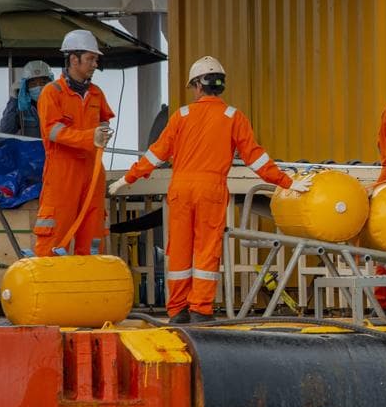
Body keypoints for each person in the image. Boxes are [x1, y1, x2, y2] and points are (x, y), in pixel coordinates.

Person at [108, 56, 312, 324]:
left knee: (179, 250)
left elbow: (156, 155)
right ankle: (199, 311)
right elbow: (256, 159)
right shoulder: (233, 117)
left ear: (198, 86)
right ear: (220, 85)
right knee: (206, 252)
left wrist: (127, 179)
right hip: (211, 191)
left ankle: (177, 311)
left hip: (181, 190)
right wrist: (287, 182)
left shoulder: (181, 116)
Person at [34, 30, 114, 257]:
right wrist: (91, 137)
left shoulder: (96, 94)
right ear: (73, 59)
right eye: (90, 59)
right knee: (54, 237)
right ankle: (50, 289)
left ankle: (89, 289)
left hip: (92, 172)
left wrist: (102, 133)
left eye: (96, 59)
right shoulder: (53, 93)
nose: (95, 64)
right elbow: (52, 131)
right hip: (62, 175)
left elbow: (104, 121)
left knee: (93, 239)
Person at [1, 60, 54, 138]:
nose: (38, 87)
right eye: (33, 84)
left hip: (54, 149)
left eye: (43, 83)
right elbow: (5, 131)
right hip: (29, 150)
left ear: (50, 83)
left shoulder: (58, 105)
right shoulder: (21, 108)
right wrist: (14, 99)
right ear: (25, 86)